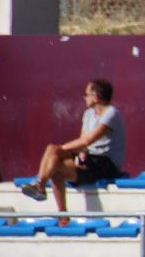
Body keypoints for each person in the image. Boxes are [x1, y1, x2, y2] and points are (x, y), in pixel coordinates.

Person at [19, 79, 125, 223]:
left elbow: (88, 140)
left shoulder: (111, 114)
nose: (84, 97)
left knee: (56, 161)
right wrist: (80, 156)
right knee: (51, 149)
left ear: (96, 97)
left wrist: (61, 149)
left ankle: (52, 201)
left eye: (86, 94)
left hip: (106, 163)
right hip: (90, 158)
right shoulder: (88, 114)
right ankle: (41, 186)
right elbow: (83, 141)